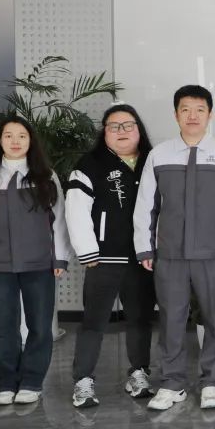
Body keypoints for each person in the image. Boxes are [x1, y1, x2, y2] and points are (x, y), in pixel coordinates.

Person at [134, 85, 215, 411]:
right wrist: (145, 247)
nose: (193, 116)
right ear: (176, 115)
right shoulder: (159, 155)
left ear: (210, 115)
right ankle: (172, 384)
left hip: (212, 255)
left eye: (200, 109)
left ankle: (212, 382)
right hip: (170, 255)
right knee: (171, 321)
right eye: (185, 109)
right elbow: (146, 205)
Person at [0, 115, 69, 406]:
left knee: (40, 326)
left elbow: (58, 220)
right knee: (3, 327)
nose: (15, 141)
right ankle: (7, 383)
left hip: (40, 264)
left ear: (30, 141)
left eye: (21, 135)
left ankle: (32, 382)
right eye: (8, 135)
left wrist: (60, 258)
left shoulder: (45, 176)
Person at [65, 104, 156, 408]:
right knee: (94, 321)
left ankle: (139, 373)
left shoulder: (153, 160)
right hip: (103, 259)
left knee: (140, 319)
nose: (121, 131)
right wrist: (88, 251)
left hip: (143, 258)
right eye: (113, 126)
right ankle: (83, 380)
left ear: (138, 129)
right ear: (104, 132)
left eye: (128, 125)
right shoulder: (90, 164)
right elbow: (76, 209)